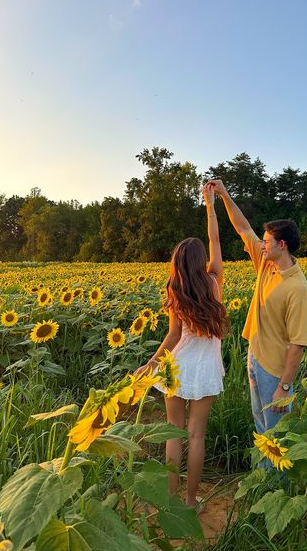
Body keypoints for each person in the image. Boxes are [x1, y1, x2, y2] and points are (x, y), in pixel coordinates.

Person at [135, 183, 227, 508]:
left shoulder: (177, 292)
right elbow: (215, 240)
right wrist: (210, 206)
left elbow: (173, 336)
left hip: (177, 366)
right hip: (206, 370)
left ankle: (171, 499)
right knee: (196, 435)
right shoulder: (214, 282)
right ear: (202, 260)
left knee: (173, 433)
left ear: (177, 262)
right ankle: (190, 501)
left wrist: (152, 362)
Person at [204, 179, 307, 435]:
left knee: (277, 434)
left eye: (266, 242)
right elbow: (242, 228)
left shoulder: (298, 289)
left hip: (275, 370)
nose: (262, 245)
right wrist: (224, 195)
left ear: (281, 245)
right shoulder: (267, 265)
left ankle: (275, 476)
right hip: (255, 356)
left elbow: (298, 344)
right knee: (260, 428)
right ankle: (262, 475)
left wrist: (284, 387)